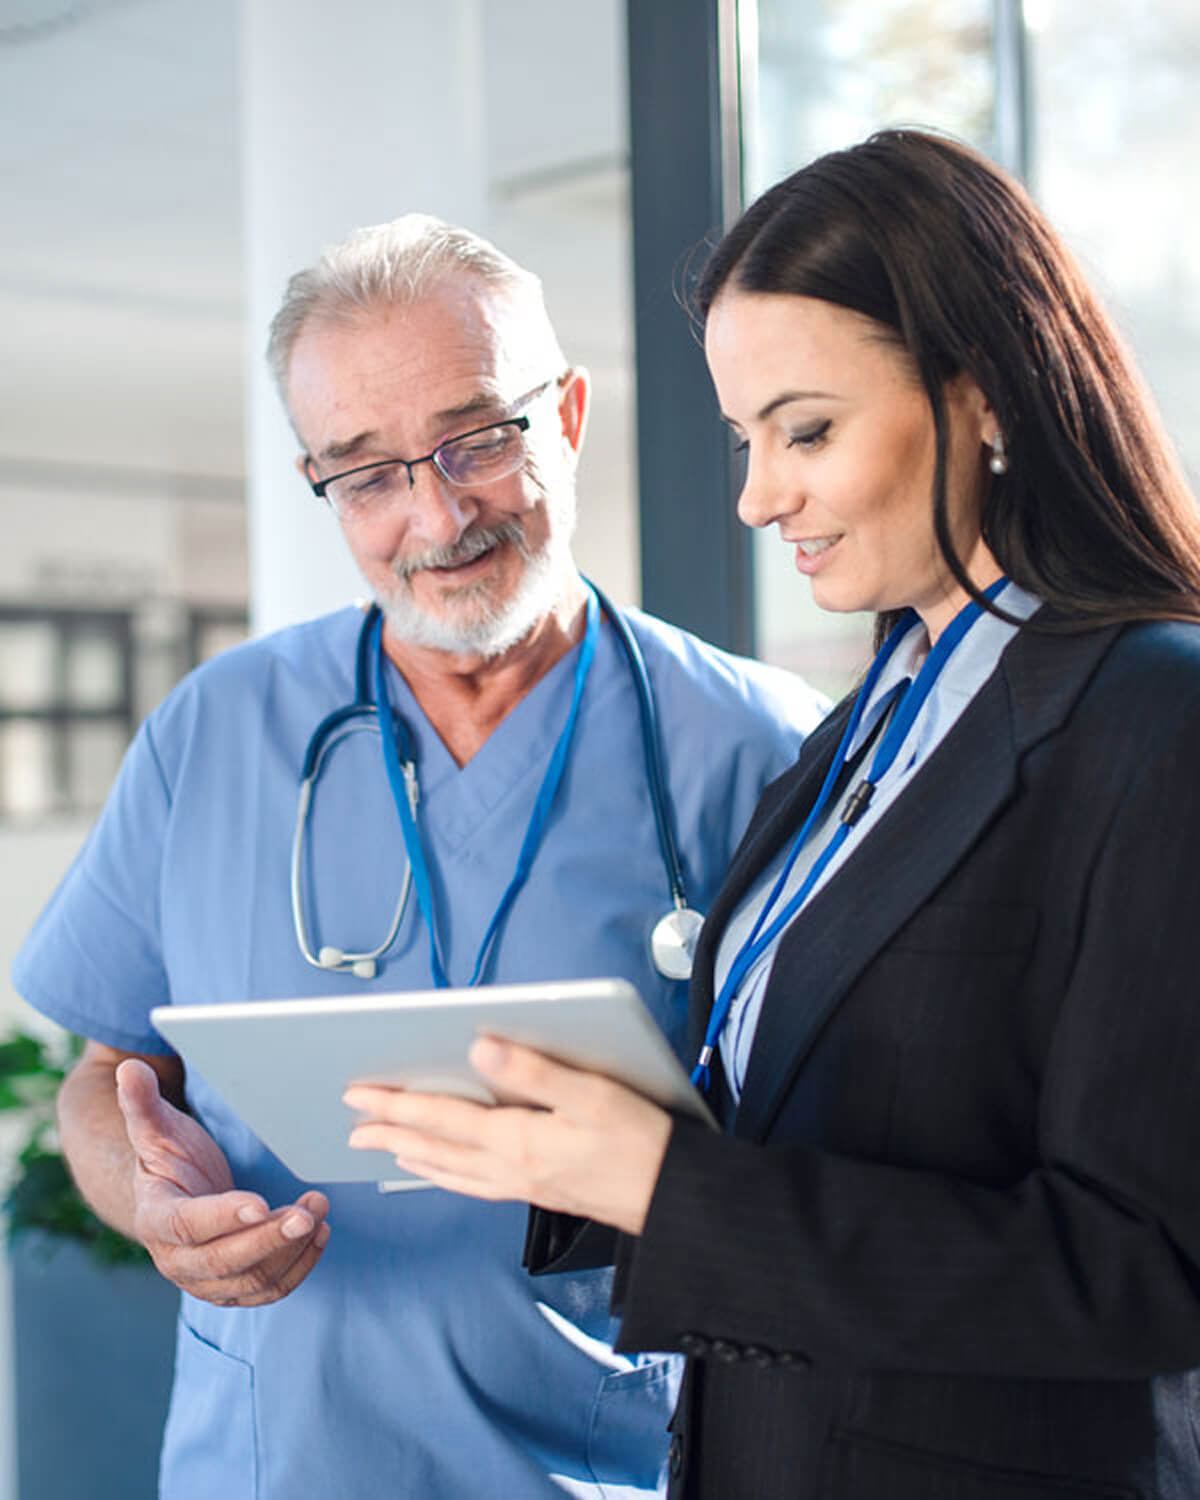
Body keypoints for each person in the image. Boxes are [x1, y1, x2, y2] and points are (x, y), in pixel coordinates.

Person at [342, 131, 1200, 1499]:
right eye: (748, 439)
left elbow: (1144, 1272)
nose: (757, 497)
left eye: (808, 430)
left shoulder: (1156, 717)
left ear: (985, 398)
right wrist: (579, 1147)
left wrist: (668, 1193)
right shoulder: (882, 713)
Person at [11, 216, 828, 1499]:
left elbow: (832, 1156)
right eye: (369, 474)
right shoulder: (214, 734)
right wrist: (153, 1209)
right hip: (266, 1467)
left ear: (564, 411)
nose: (436, 515)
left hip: (607, 1461)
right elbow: (108, 1074)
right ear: (321, 484)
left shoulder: (756, 747)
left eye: (478, 441)